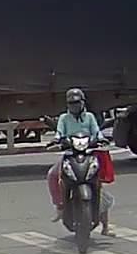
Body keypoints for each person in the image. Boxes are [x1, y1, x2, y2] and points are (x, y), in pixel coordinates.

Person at [47, 88, 113, 234]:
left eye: (77, 103)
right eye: (71, 103)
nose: (74, 106)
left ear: (83, 103)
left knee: (98, 185)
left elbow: (96, 131)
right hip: (70, 154)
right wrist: (56, 140)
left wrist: (101, 139)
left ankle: (106, 226)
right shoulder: (64, 118)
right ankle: (59, 206)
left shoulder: (89, 117)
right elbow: (59, 132)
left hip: (88, 153)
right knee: (52, 175)